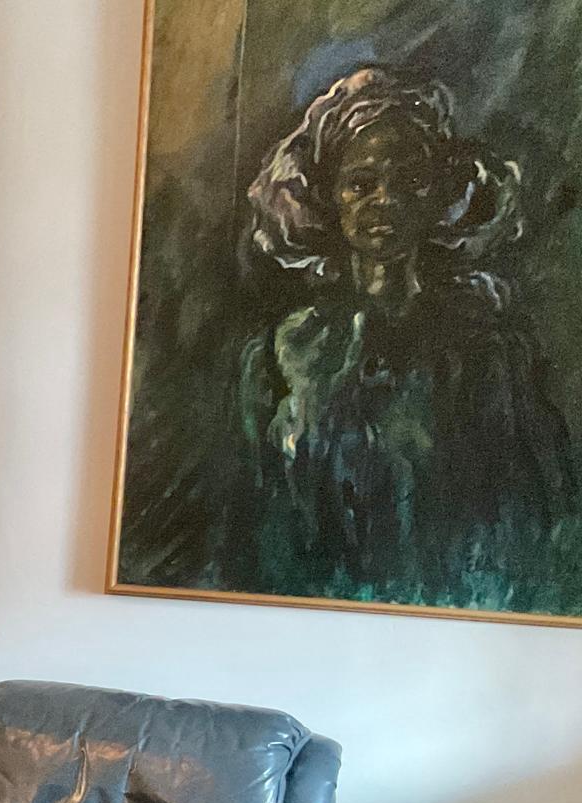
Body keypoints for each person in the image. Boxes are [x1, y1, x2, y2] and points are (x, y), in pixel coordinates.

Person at [237, 66, 580, 612]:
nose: (384, 201)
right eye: (360, 183)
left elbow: (541, 514)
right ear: (329, 198)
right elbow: (258, 521)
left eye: (409, 181)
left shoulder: (492, 352)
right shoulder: (283, 355)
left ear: (441, 194)